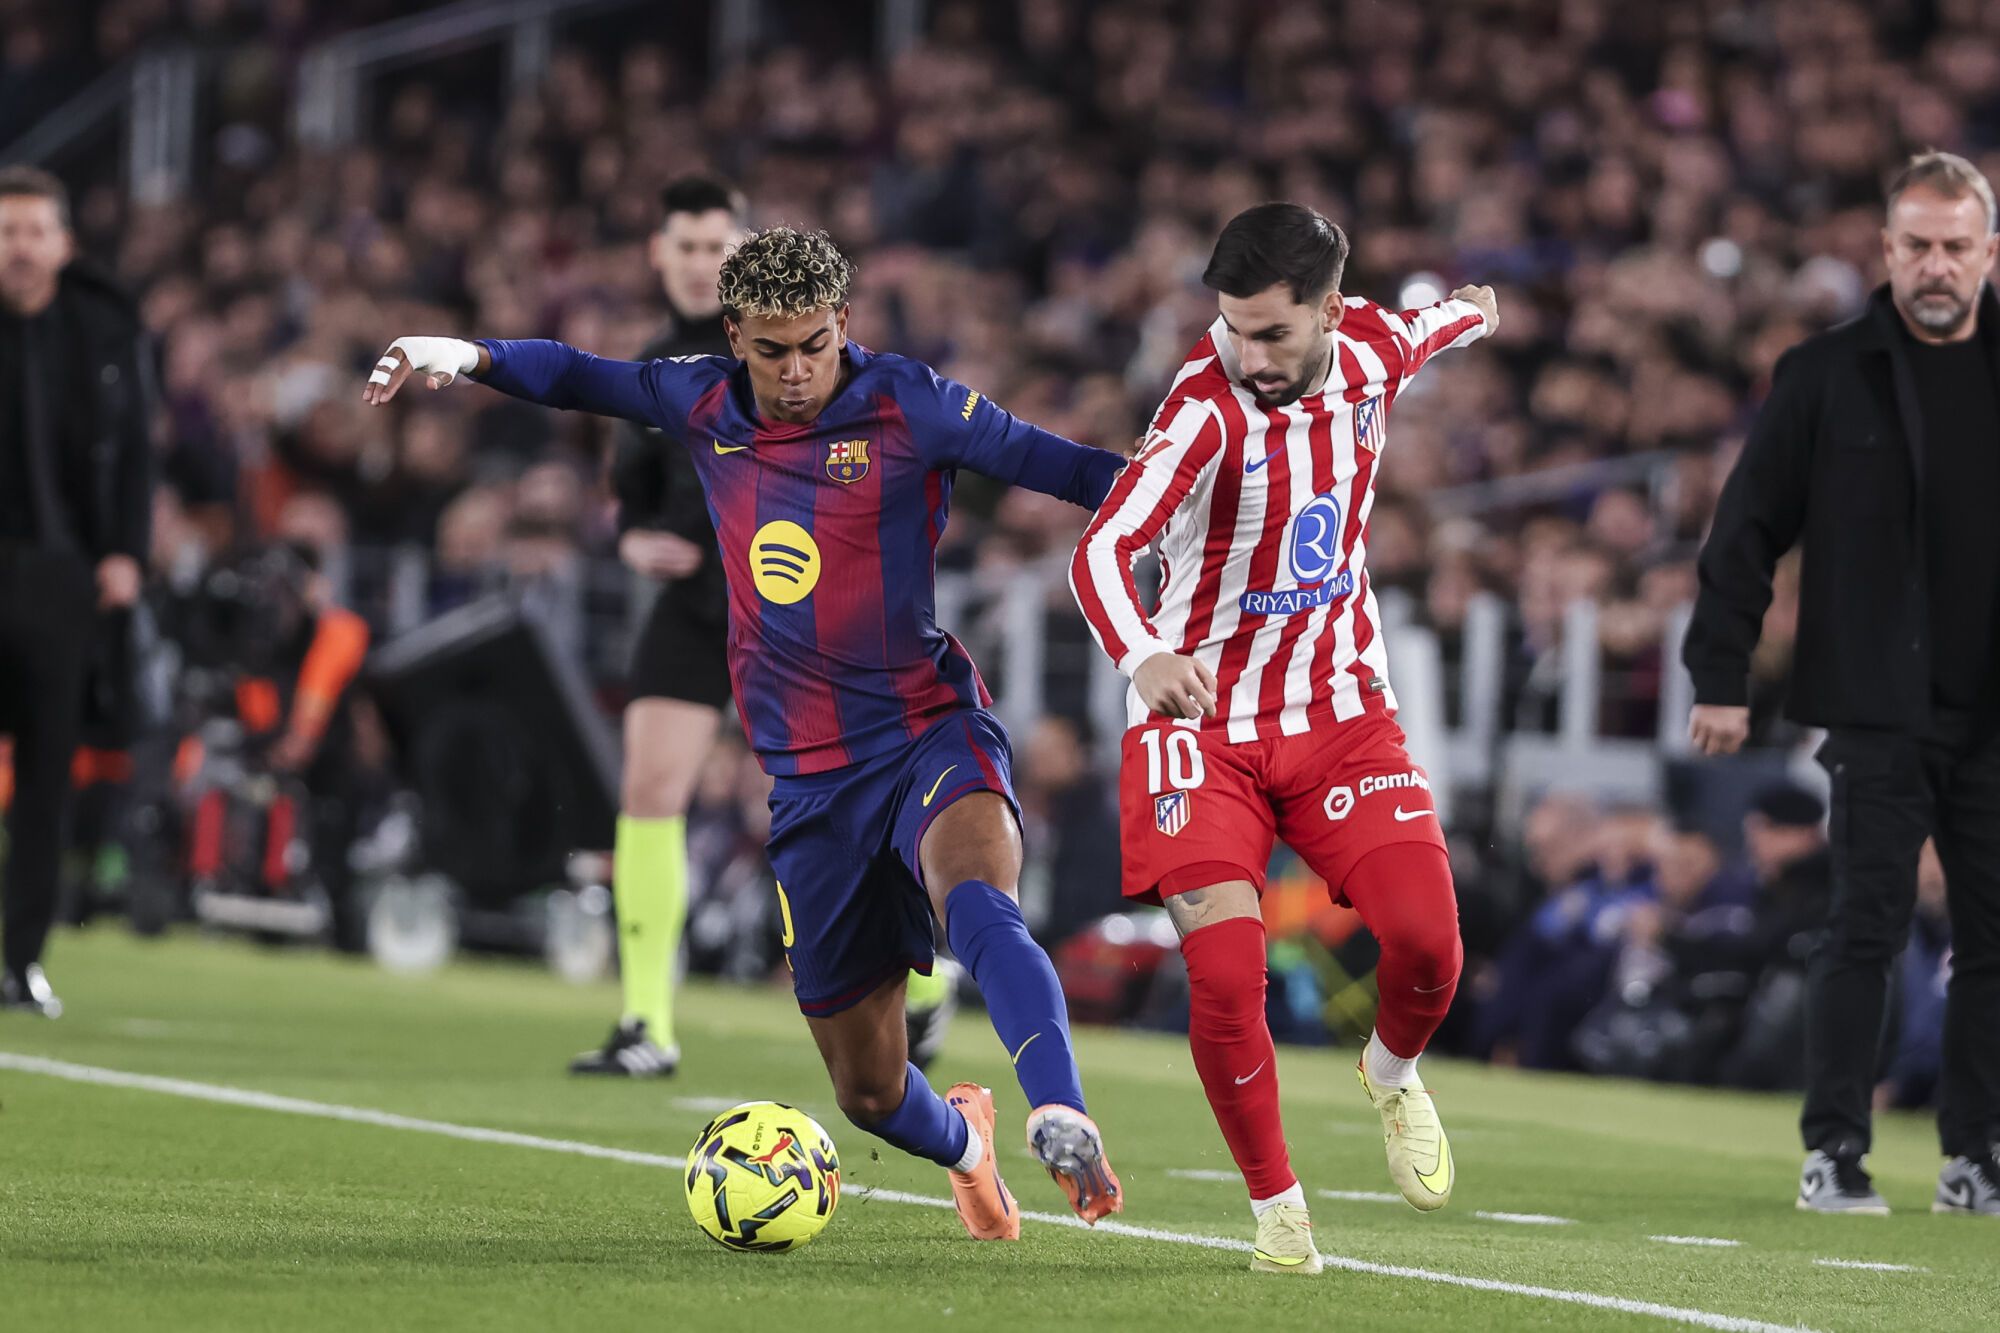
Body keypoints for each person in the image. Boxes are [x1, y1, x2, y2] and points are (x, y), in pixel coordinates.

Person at [363, 225, 1126, 1237]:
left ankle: (1060, 1109)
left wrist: (1213, 503)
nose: (797, 368)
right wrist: (459, 355)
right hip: (808, 786)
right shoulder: (700, 399)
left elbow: (1069, 468)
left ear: (841, 324)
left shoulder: (909, 401)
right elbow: (581, 377)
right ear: (734, 337)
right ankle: (964, 1142)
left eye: (814, 342)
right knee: (866, 1093)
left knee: (977, 901)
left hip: (926, 731)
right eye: (772, 350)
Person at [1070, 202, 1494, 1271]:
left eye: (1270, 333)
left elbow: (1434, 320)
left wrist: (1476, 310)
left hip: (1340, 714)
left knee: (1431, 948)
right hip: (1198, 726)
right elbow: (1100, 551)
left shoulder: (1373, 352)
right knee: (1222, 977)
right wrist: (1143, 660)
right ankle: (1278, 1211)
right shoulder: (1202, 412)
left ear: (1329, 313)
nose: (1245, 353)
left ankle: (1389, 1077)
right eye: (1230, 327)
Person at [1686, 150, 2000, 1217]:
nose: (1934, 265)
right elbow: (1745, 532)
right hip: (1874, 705)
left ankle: (1976, 1155)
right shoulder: (1825, 372)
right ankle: (1835, 1150)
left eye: (1954, 245)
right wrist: (1717, 672)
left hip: (1990, 712)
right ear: (1883, 249)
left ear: (1987, 252)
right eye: (1914, 243)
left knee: (1994, 938)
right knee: (1860, 928)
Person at [0, 165, 153, 1016]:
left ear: (62, 243)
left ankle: (21, 961)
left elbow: (135, 454)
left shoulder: (101, 330)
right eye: (6, 231)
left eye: (32, 232)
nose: (18, 249)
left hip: (62, 578)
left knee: (49, 777)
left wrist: (127, 552)